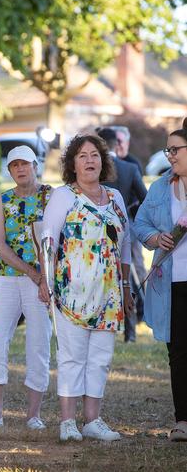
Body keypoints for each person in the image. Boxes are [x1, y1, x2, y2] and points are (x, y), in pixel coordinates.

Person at [41, 134, 134, 442]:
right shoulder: (63, 196)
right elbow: (48, 242)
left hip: (109, 294)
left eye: (94, 155)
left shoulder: (116, 198)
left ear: (103, 161)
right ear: (72, 163)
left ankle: (93, 421)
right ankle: (68, 422)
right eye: (82, 156)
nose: (90, 161)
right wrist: (45, 279)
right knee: (71, 357)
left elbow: (126, 245)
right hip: (71, 292)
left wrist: (126, 287)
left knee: (100, 358)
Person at [0, 145, 52, 430]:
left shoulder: (51, 196)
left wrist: (43, 276)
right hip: (8, 278)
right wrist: (32, 273)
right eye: (14, 165)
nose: (20, 169)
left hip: (44, 280)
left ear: (35, 165)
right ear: (9, 170)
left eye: (25, 164)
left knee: (39, 343)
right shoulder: (1, 200)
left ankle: (34, 415)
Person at [133, 117, 187, 442]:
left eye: (175, 149)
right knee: (178, 353)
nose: (170, 156)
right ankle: (183, 421)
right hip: (172, 285)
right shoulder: (159, 187)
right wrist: (156, 238)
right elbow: (140, 225)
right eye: (167, 150)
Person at [97, 127, 147, 342]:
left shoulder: (93, 169)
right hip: (125, 230)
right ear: (116, 144)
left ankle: (99, 326)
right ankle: (131, 333)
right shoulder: (129, 168)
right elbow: (145, 200)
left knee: (97, 280)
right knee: (128, 281)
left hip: (96, 232)